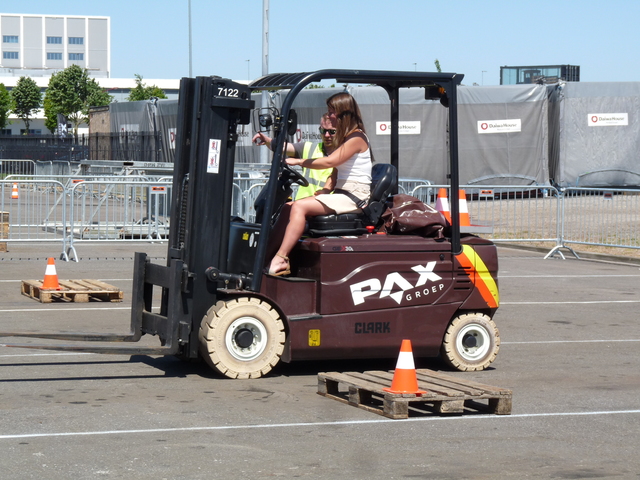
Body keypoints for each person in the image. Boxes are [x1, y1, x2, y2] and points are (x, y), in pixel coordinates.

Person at [267, 92, 372, 276]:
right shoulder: (347, 138)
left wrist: (299, 162)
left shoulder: (357, 138)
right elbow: (336, 171)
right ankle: (266, 256)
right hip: (342, 193)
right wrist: (325, 190)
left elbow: (330, 162)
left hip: (355, 196)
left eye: (332, 111)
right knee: (287, 208)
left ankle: (282, 258)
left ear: (343, 113)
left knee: (299, 207)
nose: (329, 115)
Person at [252, 114, 335, 199]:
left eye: (332, 132)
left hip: (329, 205)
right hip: (303, 203)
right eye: (323, 131)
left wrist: (298, 161)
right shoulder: (309, 148)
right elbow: (283, 147)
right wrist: (268, 141)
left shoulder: (343, 154)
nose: (327, 135)